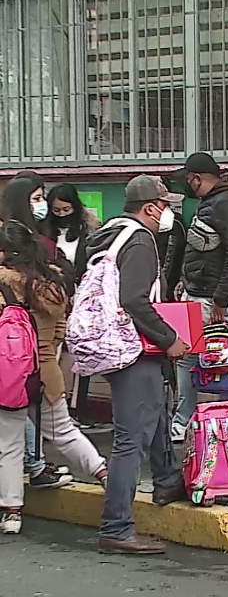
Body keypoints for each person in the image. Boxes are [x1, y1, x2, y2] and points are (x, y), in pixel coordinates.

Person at [85, 175, 188, 555]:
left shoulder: (110, 233)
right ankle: (116, 527)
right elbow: (135, 300)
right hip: (135, 350)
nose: (168, 212)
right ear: (149, 207)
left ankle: (168, 481)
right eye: (164, 205)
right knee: (130, 441)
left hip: (118, 348)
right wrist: (169, 339)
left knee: (159, 411)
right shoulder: (141, 240)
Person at [0, 222, 108, 534]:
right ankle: (103, 473)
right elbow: (61, 328)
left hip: (8, 376)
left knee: (9, 444)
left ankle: (11, 513)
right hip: (45, 372)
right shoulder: (51, 283)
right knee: (63, 432)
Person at [0, 177, 75, 489]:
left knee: (14, 421)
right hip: (27, 356)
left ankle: (28, 476)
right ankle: (38, 465)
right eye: (36, 198)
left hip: (23, 357)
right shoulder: (21, 242)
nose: (42, 205)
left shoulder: (36, 241)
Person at [170, 153, 228, 441]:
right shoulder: (217, 202)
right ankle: (196, 422)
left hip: (209, 298)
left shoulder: (226, 204)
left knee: (214, 358)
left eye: (188, 180)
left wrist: (221, 299)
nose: (187, 186)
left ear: (197, 178)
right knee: (199, 358)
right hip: (200, 294)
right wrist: (185, 280)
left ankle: (205, 423)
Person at [45, 183, 102, 429]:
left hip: (81, 296)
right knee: (54, 352)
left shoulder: (88, 229)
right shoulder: (44, 231)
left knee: (81, 352)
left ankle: (78, 406)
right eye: (56, 211)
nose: (61, 215)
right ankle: (54, 406)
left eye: (65, 209)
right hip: (54, 296)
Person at [155, 177, 187, 302]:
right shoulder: (130, 227)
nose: (166, 208)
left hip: (165, 295)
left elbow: (169, 260)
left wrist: (161, 291)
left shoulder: (173, 223)